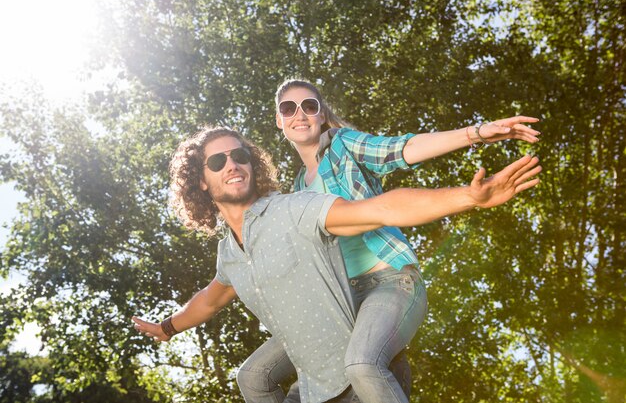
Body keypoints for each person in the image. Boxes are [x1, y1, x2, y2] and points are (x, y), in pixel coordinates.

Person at [132, 126, 541, 403]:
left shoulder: (292, 210)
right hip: (315, 390)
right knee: (252, 379)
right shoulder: (230, 253)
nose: (232, 165)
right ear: (201, 182)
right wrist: (168, 327)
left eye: (239, 155)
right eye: (217, 162)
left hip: (362, 381)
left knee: (359, 362)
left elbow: (378, 209)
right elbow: (210, 298)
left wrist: (468, 198)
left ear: (252, 164)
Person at [235, 79, 542, 403]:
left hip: (390, 282)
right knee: (267, 381)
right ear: (279, 120)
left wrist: (475, 133)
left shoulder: (344, 146)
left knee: (362, 363)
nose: (300, 114)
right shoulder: (296, 190)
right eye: (289, 108)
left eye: (309, 106)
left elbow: (401, 149)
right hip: (342, 301)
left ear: (321, 114)